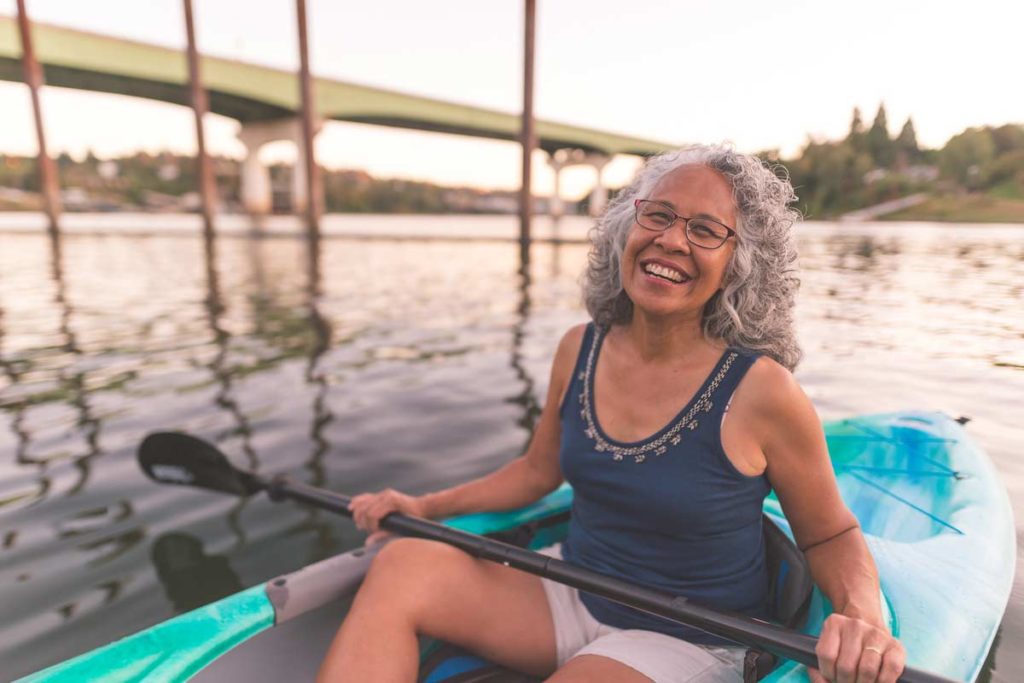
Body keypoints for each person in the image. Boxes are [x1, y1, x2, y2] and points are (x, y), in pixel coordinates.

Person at [317, 144, 906, 683]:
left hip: (688, 637)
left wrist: (864, 619)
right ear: (629, 226)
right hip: (572, 590)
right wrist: (424, 507)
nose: (672, 241)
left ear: (739, 262)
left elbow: (831, 532)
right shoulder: (581, 347)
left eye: (705, 230)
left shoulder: (761, 392)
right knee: (401, 567)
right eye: (659, 215)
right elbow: (536, 472)